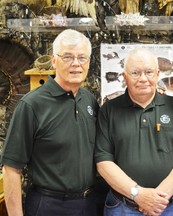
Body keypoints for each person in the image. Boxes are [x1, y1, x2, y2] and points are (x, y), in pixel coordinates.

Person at [0, 29, 105, 215]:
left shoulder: (89, 100)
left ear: (89, 62)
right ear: (54, 60)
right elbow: (11, 169)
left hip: (90, 203)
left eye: (82, 57)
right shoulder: (31, 105)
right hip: (50, 205)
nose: (76, 64)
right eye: (67, 57)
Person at [95, 48, 173, 216]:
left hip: (171, 206)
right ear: (124, 77)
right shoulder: (109, 110)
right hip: (123, 208)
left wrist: (157, 199)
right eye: (135, 73)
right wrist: (138, 194)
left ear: (157, 74)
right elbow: (103, 161)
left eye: (149, 72)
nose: (143, 79)